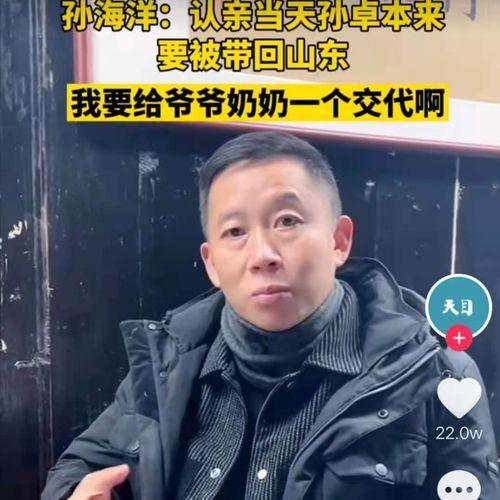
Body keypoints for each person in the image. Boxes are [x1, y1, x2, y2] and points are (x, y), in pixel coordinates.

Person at [42, 132, 499, 500]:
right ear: (212, 264)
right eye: (235, 231)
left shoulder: (435, 375)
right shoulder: (171, 363)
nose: (262, 254)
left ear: (339, 241)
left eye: (287, 221)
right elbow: (78, 468)